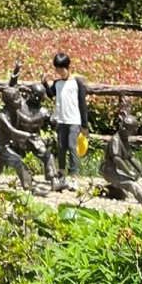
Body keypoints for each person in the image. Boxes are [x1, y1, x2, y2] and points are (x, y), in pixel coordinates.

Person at [43, 52, 89, 188]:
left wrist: (84, 124)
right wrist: (44, 83)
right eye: (57, 70)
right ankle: (62, 175)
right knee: (61, 148)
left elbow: (82, 104)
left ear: (68, 67)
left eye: (62, 69)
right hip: (61, 120)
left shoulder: (77, 84)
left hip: (74, 120)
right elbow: (50, 94)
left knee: (72, 147)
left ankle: (74, 177)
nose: (60, 72)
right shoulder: (57, 84)